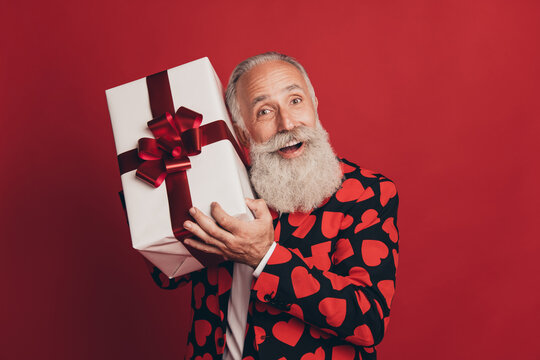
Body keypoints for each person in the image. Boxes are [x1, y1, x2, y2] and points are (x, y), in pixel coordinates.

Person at [144, 52, 399, 360]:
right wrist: (155, 192)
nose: (287, 123)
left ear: (315, 104)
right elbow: (166, 274)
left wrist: (265, 257)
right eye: (264, 111)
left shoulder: (368, 193)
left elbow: (368, 322)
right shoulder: (219, 188)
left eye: (295, 100)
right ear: (241, 132)